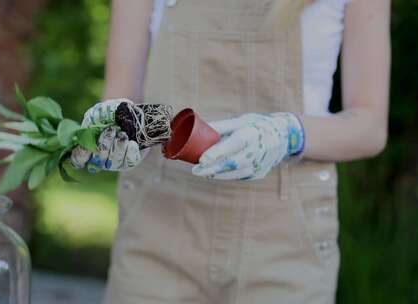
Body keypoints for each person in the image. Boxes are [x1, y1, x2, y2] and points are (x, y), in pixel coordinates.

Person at [74, 0, 390, 303]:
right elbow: (125, 99)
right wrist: (114, 128)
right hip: (159, 223)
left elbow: (369, 126)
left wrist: (286, 133)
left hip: (285, 236)